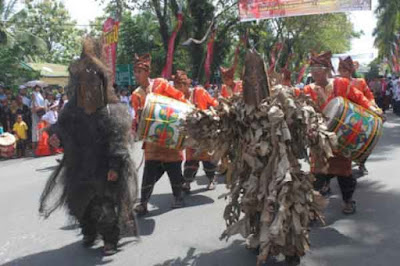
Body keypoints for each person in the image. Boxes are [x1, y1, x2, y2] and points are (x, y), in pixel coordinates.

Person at [39, 38, 138, 255]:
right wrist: (55, 136)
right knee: (79, 203)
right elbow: (60, 127)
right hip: (79, 165)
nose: (88, 89)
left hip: (104, 166)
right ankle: (88, 232)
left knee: (105, 204)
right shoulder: (72, 109)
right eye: (83, 84)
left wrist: (114, 167)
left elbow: (118, 142)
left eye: (92, 84)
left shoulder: (113, 111)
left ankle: (110, 239)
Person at [295, 51, 381, 215]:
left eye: (318, 68)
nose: (313, 72)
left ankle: (348, 200)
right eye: (311, 68)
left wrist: (373, 109)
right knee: (318, 175)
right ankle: (314, 209)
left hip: (341, 139)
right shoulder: (307, 90)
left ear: (327, 69)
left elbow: (360, 98)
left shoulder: (341, 84)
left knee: (344, 173)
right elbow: (293, 98)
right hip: (320, 141)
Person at [131, 54, 187, 215]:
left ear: (147, 72)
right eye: (135, 72)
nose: (136, 75)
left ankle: (178, 197)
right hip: (152, 139)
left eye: (139, 71)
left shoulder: (161, 84)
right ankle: (143, 203)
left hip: (170, 133)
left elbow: (179, 98)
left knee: (174, 167)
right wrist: (139, 116)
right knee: (149, 170)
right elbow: (137, 119)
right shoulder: (136, 95)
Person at [338, 56, 379, 175]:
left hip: (360, 116)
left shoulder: (359, 82)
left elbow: (369, 96)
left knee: (363, 142)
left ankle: (362, 163)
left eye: (345, 70)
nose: (342, 73)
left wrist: (374, 108)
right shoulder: (336, 83)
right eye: (340, 70)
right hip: (343, 117)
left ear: (350, 70)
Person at [182, 80, 218, 192]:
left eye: (179, 86)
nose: (177, 89)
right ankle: (187, 182)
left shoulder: (200, 91)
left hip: (204, 131)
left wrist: (209, 114)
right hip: (191, 134)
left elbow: (214, 104)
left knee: (207, 158)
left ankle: (212, 179)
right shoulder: (179, 98)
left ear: (186, 85)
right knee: (190, 159)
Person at [31, 85, 46, 150]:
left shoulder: (40, 94)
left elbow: (42, 103)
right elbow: (34, 103)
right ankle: (35, 142)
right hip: (35, 110)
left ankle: (42, 141)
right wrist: (35, 106)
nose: (38, 88)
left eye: (39, 87)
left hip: (41, 110)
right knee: (35, 127)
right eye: (37, 87)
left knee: (41, 126)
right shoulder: (33, 93)